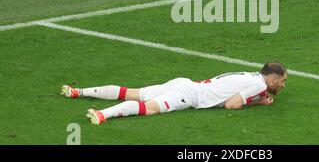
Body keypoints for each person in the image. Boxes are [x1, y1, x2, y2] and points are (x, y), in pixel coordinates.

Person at [61, 62, 287, 125]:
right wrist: (258, 103)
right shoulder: (259, 86)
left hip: (186, 84)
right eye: (282, 81)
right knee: (148, 109)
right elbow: (231, 105)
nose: (283, 85)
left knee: (131, 92)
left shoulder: (251, 77)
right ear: (272, 78)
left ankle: (77, 92)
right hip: (189, 96)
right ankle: (102, 115)